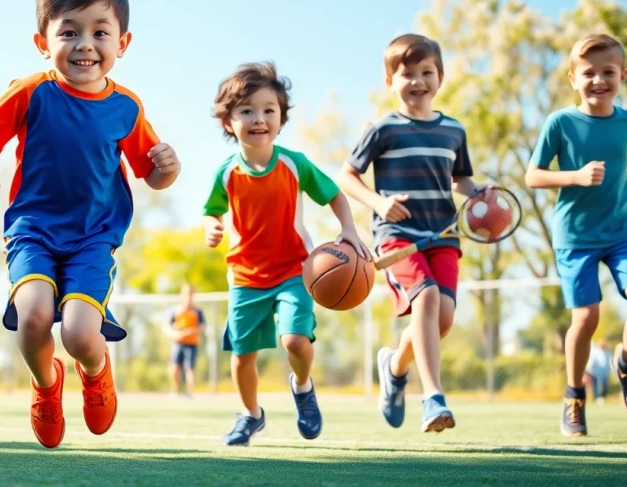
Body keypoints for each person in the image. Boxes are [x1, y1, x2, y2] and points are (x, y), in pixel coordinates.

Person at [0, 0, 180, 448]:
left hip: (92, 239)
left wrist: (168, 167)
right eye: (69, 32)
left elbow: (153, 175)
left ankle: (96, 372)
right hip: (33, 231)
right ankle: (46, 386)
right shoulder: (32, 92)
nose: (85, 44)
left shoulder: (126, 108)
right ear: (43, 42)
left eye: (100, 32)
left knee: (81, 335)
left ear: (122, 43)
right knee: (34, 316)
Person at [203, 62, 369, 446]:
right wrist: (211, 226)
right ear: (228, 122)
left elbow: (334, 194)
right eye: (247, 111)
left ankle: (303, 386)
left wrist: (348, 229)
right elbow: (211, 211)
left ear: (281, 119)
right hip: (245, 277)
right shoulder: (226, 173)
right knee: (242, 356)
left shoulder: (295, 164)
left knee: (295, 341)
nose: (259, 118)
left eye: (268, 110)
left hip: (295, 270)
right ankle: (251, 415)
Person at [339, 34, 485, 433]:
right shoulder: (382, 129)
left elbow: (460, 179)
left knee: (443, 320)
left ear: (440, 78)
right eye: (407, 74)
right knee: (427, 296)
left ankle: (395, 366)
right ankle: (433, 397)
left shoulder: (454, 130)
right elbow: (347, 176)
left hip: (444, 234)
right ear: (390, 82)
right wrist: (378, 202)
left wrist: (479, 194)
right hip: (397, 235)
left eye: (426, 72)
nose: (418, 81)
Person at [526, 33, 627, 436]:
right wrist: (574, 177)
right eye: (588, 73)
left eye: (608, 72)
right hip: (575, 237)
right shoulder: (560, 123)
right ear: (573, 79)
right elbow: (533, 175)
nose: (598, 80)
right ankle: (575, 394)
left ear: (622, 76)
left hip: (624, 230)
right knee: (586, 317)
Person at [167, 284, 206, 397]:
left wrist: (191, 331)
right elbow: (167, 326)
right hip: (178, 343)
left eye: (190, 294)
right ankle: (175, 390)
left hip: (191, 344)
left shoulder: (197, 311)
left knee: (190, 368)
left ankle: (190, 392)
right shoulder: (176, 310)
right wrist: (175, 334)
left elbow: (203, 326)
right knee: (174, 367)